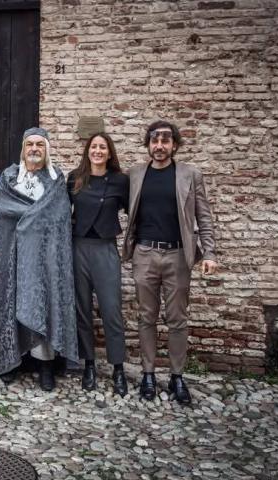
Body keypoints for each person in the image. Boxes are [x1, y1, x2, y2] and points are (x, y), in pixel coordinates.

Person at [122, 120, 218, 405]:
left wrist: (210, 253)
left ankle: (177, 376)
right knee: (146, 317)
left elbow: (204, 215)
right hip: (145, 254)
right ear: (148, 144)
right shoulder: (136, 174)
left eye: (165, 140)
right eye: (155, 140)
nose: (159, 146)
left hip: (178, 255)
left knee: (177, 319)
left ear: (174, 144)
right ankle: (148, 374)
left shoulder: (190, 174)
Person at [0, 127, 78, 391]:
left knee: (44, 304)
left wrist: (31, 222)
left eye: (40, 144)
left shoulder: (55, 182)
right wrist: (30, 221)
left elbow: (59, 218)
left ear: (47, 149)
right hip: (14, 254)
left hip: (45, 258)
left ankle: (45, 365)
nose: (34, 149)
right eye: (30, 144)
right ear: (23, 148)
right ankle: (13, 360)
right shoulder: (9, 178)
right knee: (11, 302)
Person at [67, 133, 129, 396]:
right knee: (82, 310)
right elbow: (60, 211)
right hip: (78, 246)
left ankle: (118, 368)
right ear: (87, 151)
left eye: (103, 147)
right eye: (94, 147)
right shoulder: (75, 178)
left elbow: (135, 212)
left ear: (109, 152)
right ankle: (89, 364)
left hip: (105, 249)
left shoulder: (120, 181)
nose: (98, 151)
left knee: (111, 310)